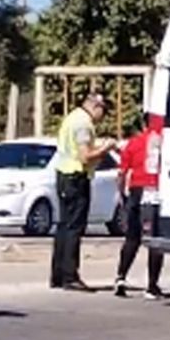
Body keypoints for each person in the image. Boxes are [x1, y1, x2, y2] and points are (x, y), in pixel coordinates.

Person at [51, 92, 117, 291]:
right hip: (75, 177)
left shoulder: (72, 117)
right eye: (103, 112)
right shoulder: (83, 124)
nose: (102, 117)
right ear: (96, 107)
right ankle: (70, 276)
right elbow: (85, 157)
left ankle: (58, 275)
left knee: (63, 226)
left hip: (63, 174)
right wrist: (106, 149)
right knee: (74, 228)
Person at [113, 112, 164, 300]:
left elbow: (122, 173)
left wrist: (121, 196)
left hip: (135, 191)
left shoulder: (133, 143)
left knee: (132, 238)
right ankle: (151, 286)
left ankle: (120, 277)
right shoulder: (162, 143)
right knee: (154, 241)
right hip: (154, 191)